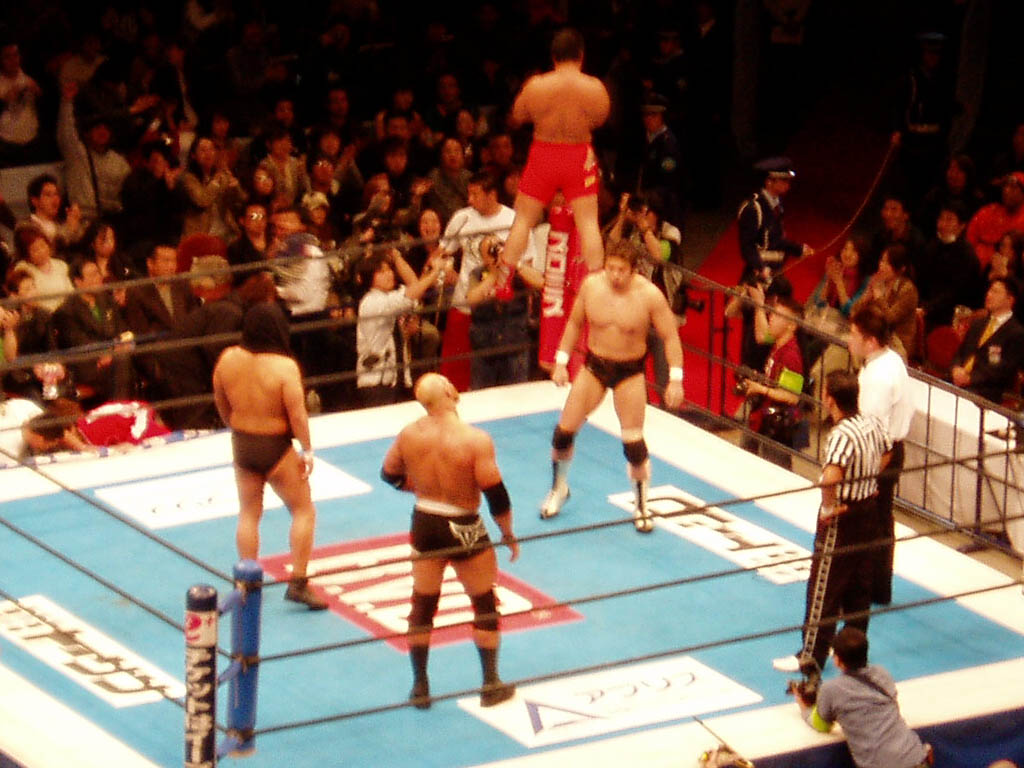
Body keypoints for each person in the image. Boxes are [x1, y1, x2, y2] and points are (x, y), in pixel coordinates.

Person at [380, 372, 519, 709]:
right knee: (484, 602)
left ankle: (420, 687)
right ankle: (490, 683)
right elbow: (495, 494)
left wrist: (419, 487)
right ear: (447, 390)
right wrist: (507, 533)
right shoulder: (474, 439)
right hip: (463, 522)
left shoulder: (409, 434)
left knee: (422, 605)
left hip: (425, 518)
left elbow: (389, 474)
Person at [540, 241, 684, 532]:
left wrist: (676, 379)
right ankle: (558, 488)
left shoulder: (650, 296)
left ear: (633, 271)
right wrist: (561, 361)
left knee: (633, 443)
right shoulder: (591, 286)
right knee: (563, 433)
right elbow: (574, 323)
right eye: (611, 268)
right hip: (595, 365)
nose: (615, 275)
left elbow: (670, 336)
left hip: (630, 371)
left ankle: (642, 506)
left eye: (621, 270)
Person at [773, 371, 891, 677]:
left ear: (830, 399)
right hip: (868, 511)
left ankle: (810, 658)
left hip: (843, 517)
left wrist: (829, 507)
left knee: (823, 589)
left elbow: (831, 477)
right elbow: (889, 450)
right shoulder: (871, 423)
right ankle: (854, 658)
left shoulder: (842, 434)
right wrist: (869, 480)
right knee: (859, 590)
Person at [211, 302, 326, 610]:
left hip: (243, 442)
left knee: (249, 512)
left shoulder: (227, 359)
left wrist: (236, 425)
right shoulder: (284, 366)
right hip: (274, 443)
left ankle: (246, 580)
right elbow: (297, 414)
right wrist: (307, 449)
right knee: (303, 510)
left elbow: (221, 401)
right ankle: (298, 582)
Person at [498, 28, 610, 280]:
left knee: (523, 219)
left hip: (544, 152)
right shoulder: (594, 87)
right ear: (581, 55)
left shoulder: (536, 85)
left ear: (553, 56)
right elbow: (601, 118)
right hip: (578, 153)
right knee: (588, 222)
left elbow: (517, 115)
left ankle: (503, 279)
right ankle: (596, 281)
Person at [848, 303, 916, 607]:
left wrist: (868, 473)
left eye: (854, 334)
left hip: (880, 454)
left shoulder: (880, 376)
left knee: (869, 522)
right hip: (890, 449)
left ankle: (868, 588)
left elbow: (876, 433)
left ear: (870, 341)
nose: (849, 340)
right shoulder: (889, 360)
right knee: (881, 520)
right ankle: (877, 587)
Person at [792, 627, 932, 768]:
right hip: (917, 757)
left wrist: (804, 706)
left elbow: (821, 725)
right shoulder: (882, 674)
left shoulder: (831, 689)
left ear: (837, 660)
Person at [736, 157, 813, 284]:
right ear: (769, 182)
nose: (787, 184)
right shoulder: (754, 208)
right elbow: (747, 246)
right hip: (758, 274)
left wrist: (799, 249)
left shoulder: (777, 205)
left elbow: (776, 239)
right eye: (783, 180)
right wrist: (761, 267)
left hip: (776, 269)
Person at [950, 277, 1024, 404]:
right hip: (957, 380)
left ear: (1010, 300)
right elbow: (960, 353)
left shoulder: (1016, 333)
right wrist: (955, 369)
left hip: (985, 391)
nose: (989, 295)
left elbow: (1002, 371)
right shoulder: (978, 324)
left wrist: (970, 379)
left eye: (995, 291)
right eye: (989, 290)